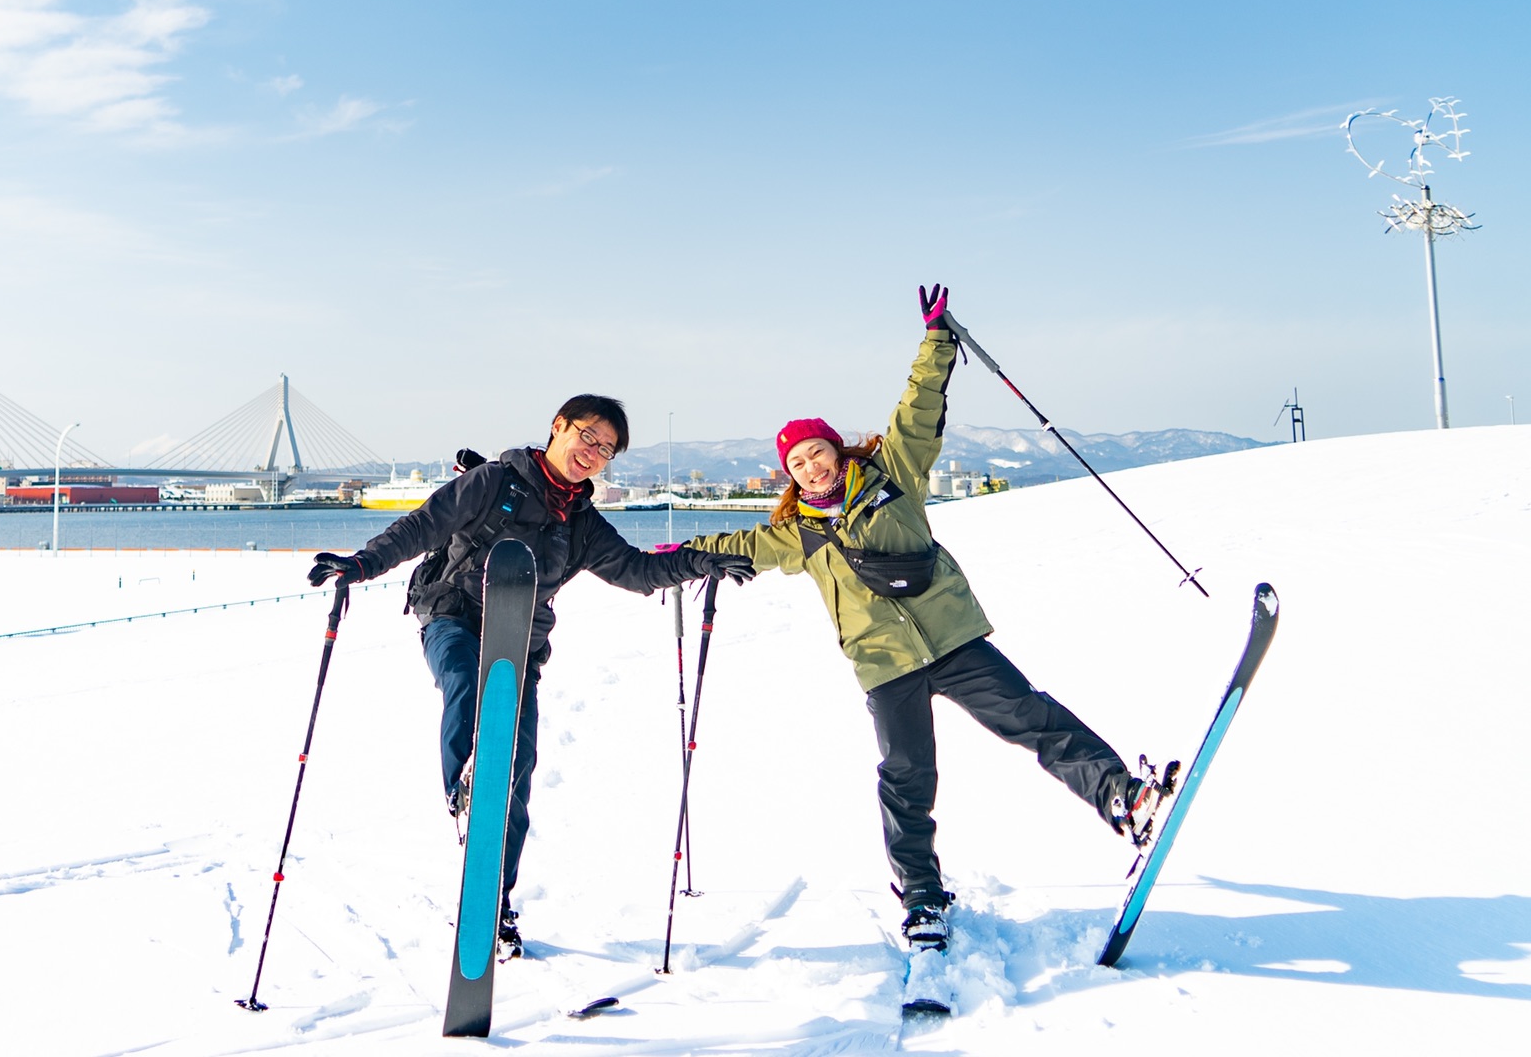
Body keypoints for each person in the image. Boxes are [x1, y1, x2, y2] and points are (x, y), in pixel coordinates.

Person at [685, 285, 1160, 954]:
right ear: (788, 475)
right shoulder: (798, 533)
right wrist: (676, 555)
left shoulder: (891, 475)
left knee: (1030, 716)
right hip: (884, 664)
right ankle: (921, 897)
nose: (812, 464)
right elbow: (739, 546)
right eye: (797, 462)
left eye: (817, 450)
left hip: (952, 637)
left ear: (835, 449)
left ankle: (1122, 796)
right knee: (907, 776)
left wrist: (937, 340)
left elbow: (916, 410)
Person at [309, 394, 754, 956]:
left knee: (515, 775)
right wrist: (362, 563)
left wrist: (699, 561)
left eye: (606, 450)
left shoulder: (582, 523)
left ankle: (493, 902)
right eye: (587, 437)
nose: (593, 453)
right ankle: (466, 791)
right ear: (558, 427)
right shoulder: (492, 482)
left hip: (522, 642)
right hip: (452, 614)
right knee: (467, 686)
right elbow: (423, 527)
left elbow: (638, 571)